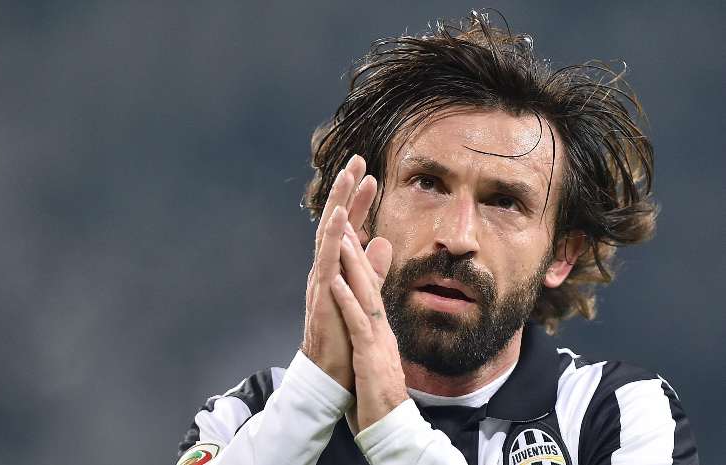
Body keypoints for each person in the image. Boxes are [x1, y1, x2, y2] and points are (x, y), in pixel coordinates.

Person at [175, 11, 698, 465]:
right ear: (362, 212)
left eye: (504, 202)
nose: (458, 236)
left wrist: (393, 432)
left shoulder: (616, 415)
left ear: (561, 254)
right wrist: (311, 398)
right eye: (428, 184)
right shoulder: (246, 417)